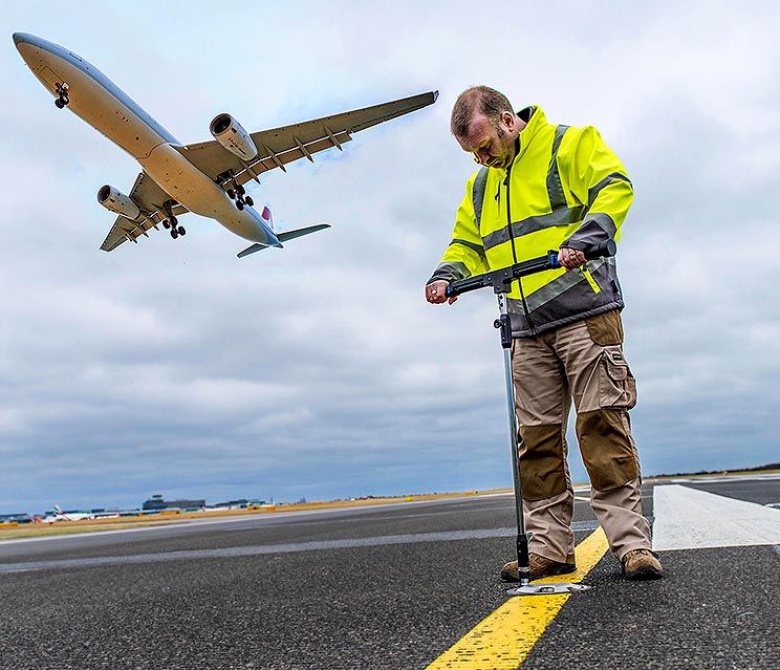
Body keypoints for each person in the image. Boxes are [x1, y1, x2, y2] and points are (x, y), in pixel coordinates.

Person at [425, 86, 662, 581]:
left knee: (602, 425)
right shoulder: (480, 186)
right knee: (535, 442)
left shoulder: (568, 144)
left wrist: (586, 238)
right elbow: (467, 241)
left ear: (508, 121)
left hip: (582, 314)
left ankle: (631, 546)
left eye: (484, 145)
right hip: (525, 327)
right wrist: (446, 275)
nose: (481, 158)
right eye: (471, 153)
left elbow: (614, 186)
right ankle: (550, 549)